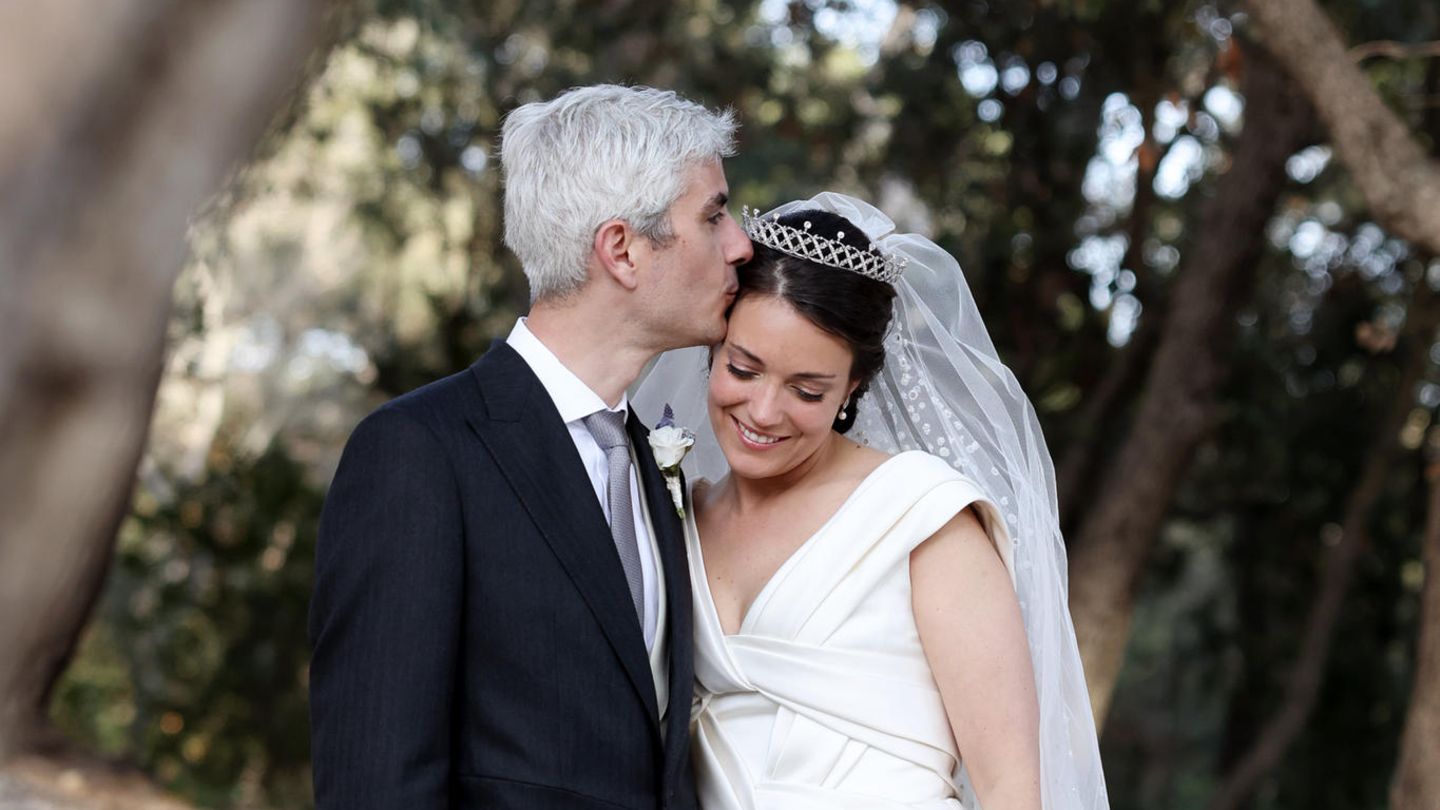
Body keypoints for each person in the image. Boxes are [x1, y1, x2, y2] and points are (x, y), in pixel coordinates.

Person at [308, 85, 753, 809]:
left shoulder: (658, 463)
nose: (740, 244)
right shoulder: (420, 454)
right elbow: (377, 779)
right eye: (713, 215)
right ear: (622, 250)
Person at [632, 193, 1109, 809]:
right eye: (744, 370)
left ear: (852, 387)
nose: (764, 411)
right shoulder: (676, 515)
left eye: (807, 390)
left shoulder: (921, 517)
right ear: (712, 348)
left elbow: (1012, 789)